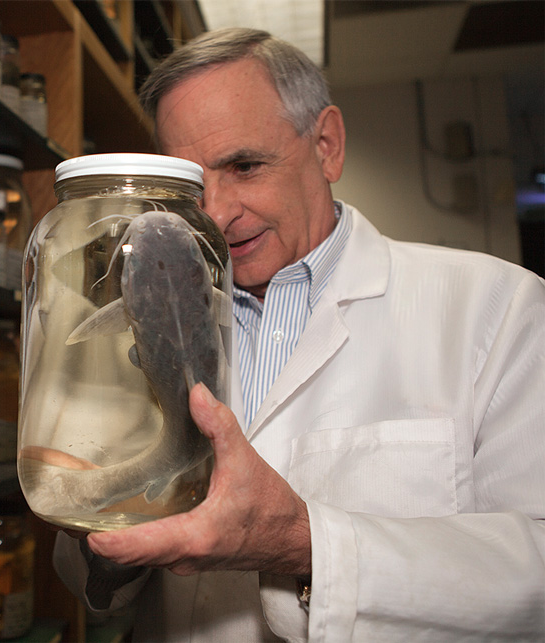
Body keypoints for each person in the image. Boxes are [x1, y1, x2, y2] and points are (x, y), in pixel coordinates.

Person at [52, 27, 545, 641]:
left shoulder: (498, 308)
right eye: (194, 186)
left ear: (327, 145)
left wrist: (298, 542)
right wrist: (99, 538)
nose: (219, 213)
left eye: (245, 165)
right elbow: (94, 583)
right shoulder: (152, 320)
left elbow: (535, 575)